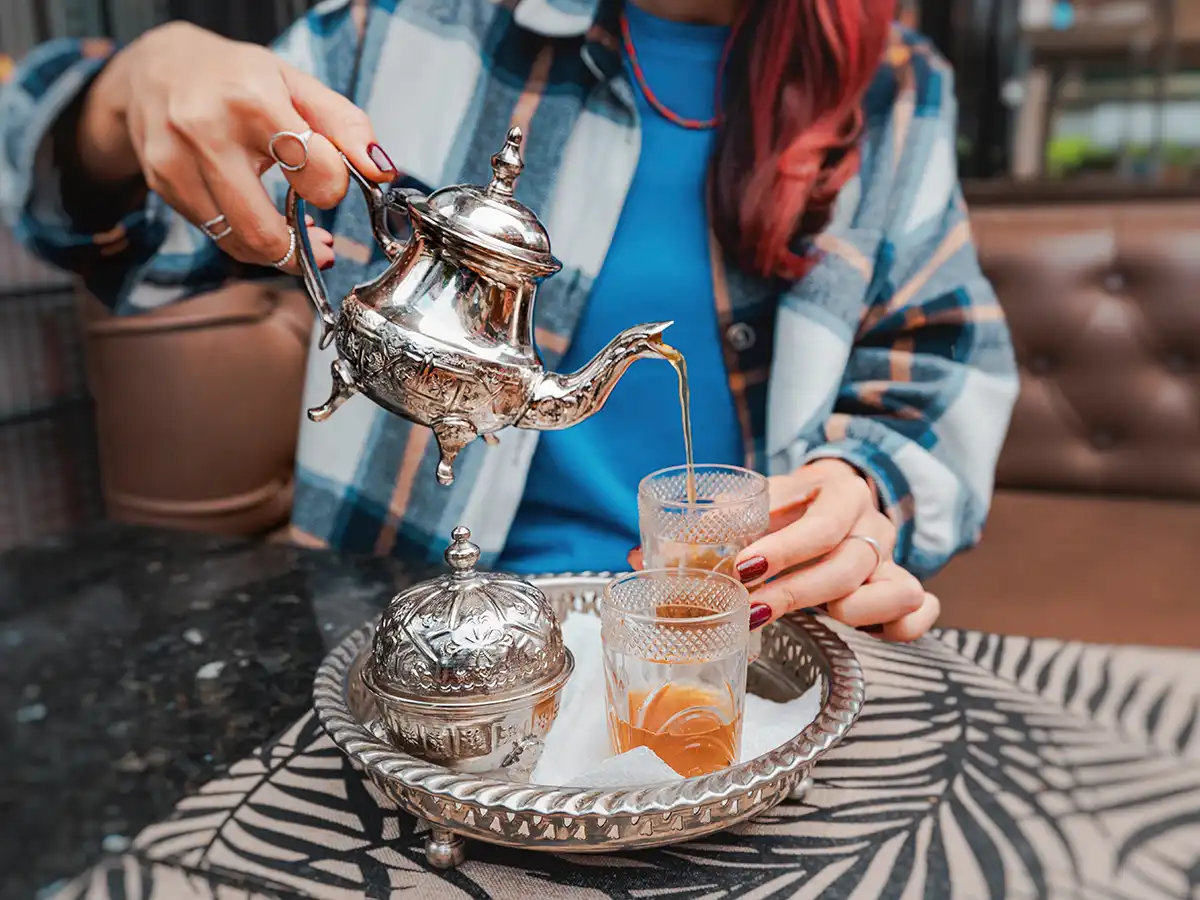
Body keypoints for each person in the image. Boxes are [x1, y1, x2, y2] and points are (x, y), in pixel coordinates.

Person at [0, 0, 1017, 642]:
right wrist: (122, 99)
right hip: (402, 651)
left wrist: (855, 489)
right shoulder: (403, 29)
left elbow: (940, 361)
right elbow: (144, 240)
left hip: (717, 650)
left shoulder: (896, 91)